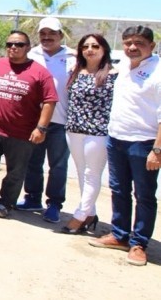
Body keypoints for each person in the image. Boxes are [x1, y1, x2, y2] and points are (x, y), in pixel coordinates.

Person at [89, 26, 161, 266]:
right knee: (119, 190)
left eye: (138, 42)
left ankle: (139, 243)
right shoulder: (123, 67)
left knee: (144, 195)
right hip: (116, 139)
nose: (132, 47)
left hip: (145, 143)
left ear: (151, 45)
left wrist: (157, 150)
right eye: (128, 42)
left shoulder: (158, 71)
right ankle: (119, 235)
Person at [0, 30, 57, 218]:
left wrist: (41, 128)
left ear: (28, 47)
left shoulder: (40, 72)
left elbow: (50, 101)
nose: (13, 48)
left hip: (22, 133)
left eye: (19, 44)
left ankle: (6, 203)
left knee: (15, 171)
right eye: (9, 44)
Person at [17, 17, 76, 223]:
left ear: (60, 35)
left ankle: (54, 204)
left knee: (58, 165)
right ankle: (32, 198)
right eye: (43, 33)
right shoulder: (31, 54)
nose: (47, 37)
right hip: (34, 120)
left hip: (61, 120)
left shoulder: (73, 57)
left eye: (52, 33)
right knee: (33, 161)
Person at [61, 34, 116, 234]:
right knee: (81, 172)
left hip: (98, 132)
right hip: (74, 129)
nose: (90, 50)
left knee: (92, 175)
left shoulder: (114, 74)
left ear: (104, 49)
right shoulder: (75, 71)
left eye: (95, 46)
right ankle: (90, 215)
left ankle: (79, 216)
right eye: (85, 46)